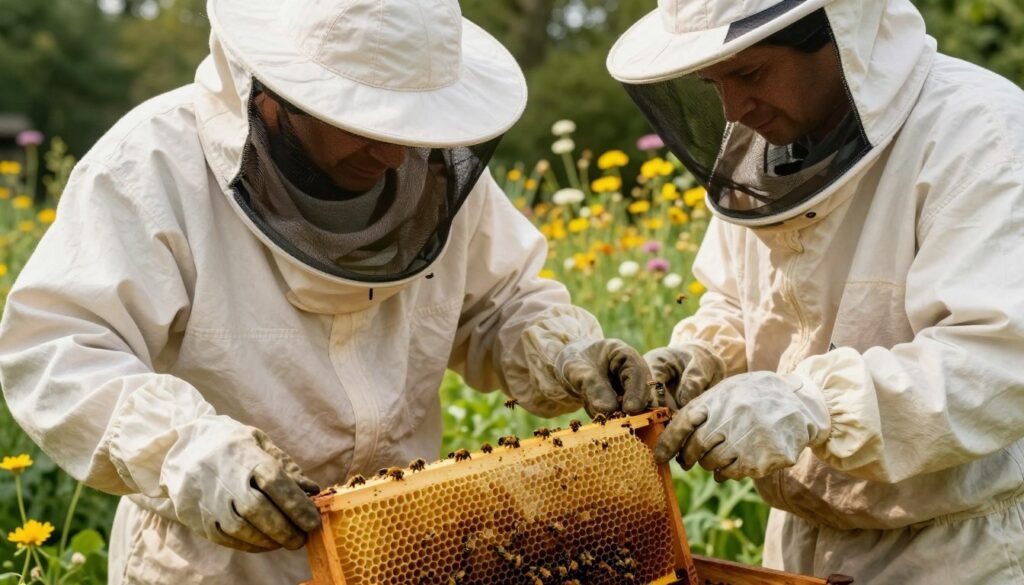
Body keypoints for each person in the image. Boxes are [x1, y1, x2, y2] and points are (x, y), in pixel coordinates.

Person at [0, 1, 652, 583]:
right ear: (283, 95)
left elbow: (500, 302)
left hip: (403, 550)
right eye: (366, 123)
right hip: (217, 565)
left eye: (413, 128)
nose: (394, 156)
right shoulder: (153, 167)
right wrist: (186, 449)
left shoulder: (433, 172)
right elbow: (59, 346)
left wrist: (562, 350)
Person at [607, 0, 1024, 583]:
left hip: (954, 551)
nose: (733, 109)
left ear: (839, 35)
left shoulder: (982, 131)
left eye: (751, 74)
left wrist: (815, 405)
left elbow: (998, 362)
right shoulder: (759, 150)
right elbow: (739, 302)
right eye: (713, 83)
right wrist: (700, 358)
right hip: (798, 539)